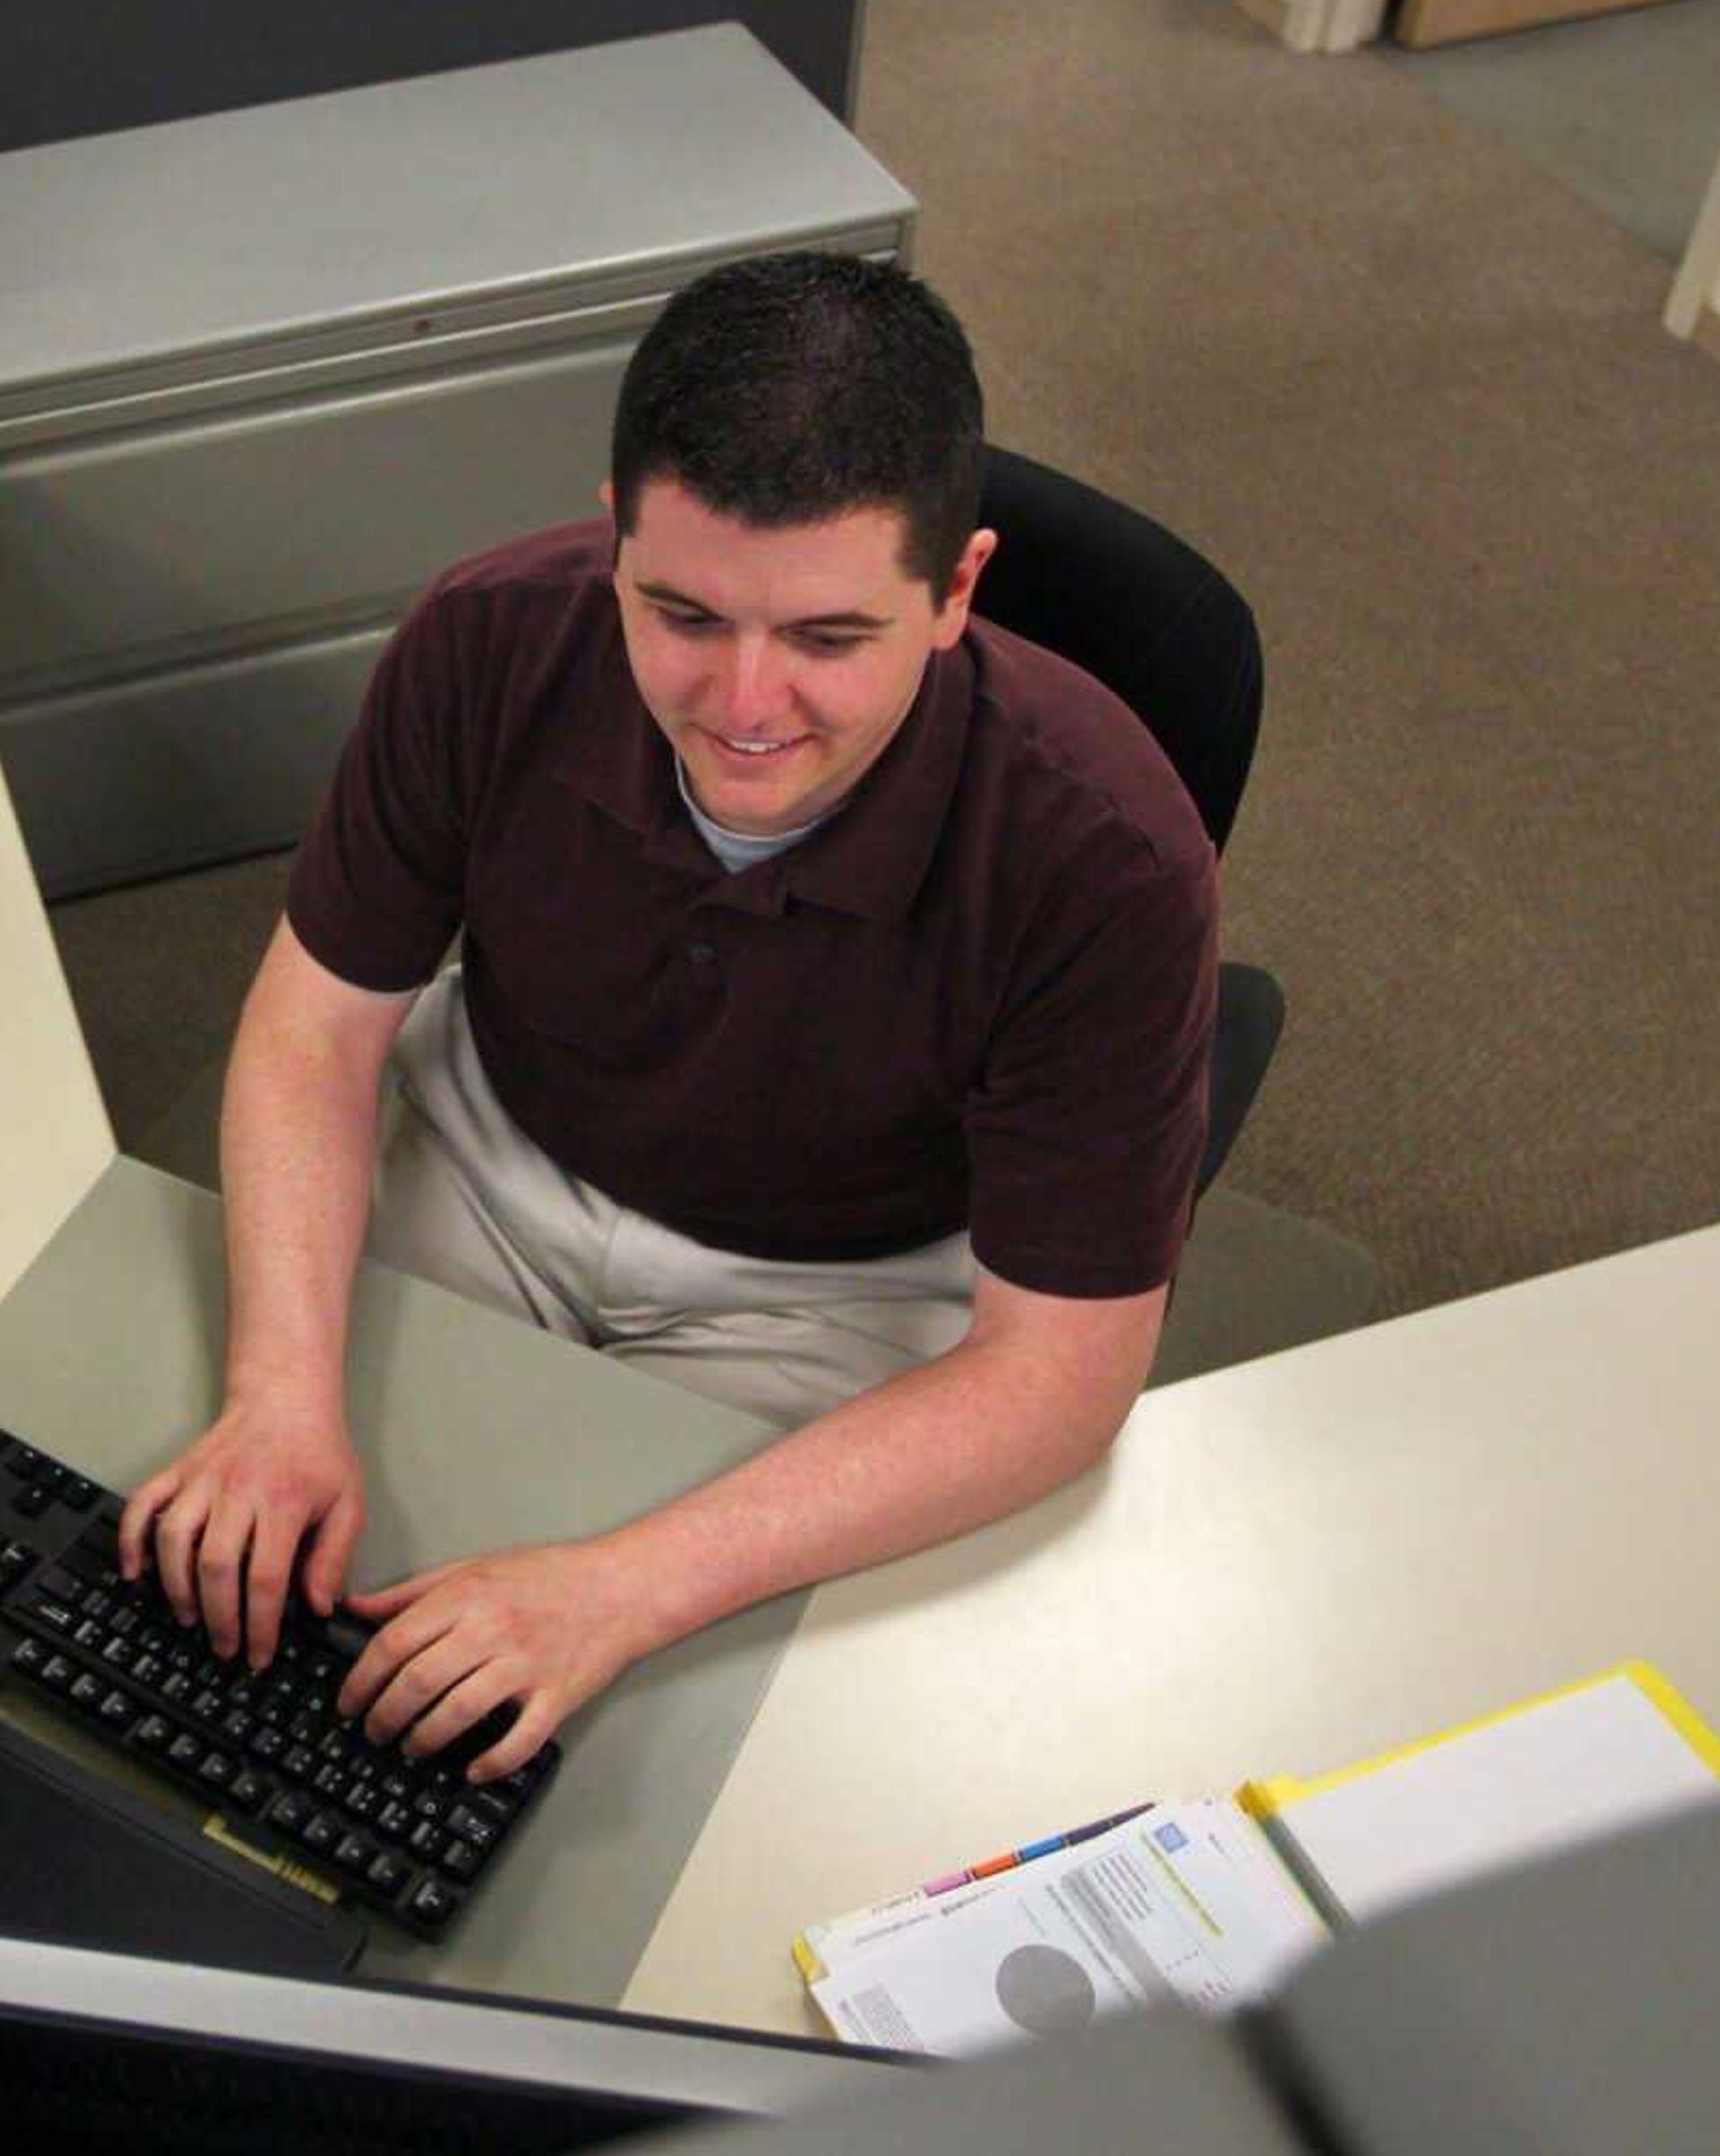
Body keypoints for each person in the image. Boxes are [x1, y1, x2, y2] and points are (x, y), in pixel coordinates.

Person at [115, 253, 1220, 1787]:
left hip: (842, 1282)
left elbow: (1060, 1373)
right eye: (682, 611)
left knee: (672, 1749)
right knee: (238, 1580)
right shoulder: (489, 635)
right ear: (613, 535)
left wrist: (624, 1585)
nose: (746, 705)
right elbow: (316, 1028)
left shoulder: (1108, 853)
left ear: (959, 589)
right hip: (494, 1140)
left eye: (829, 638)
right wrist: (279, 1396)